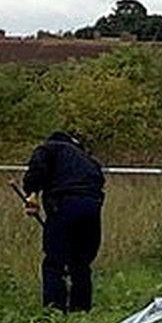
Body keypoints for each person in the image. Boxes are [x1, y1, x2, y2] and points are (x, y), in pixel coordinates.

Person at [22, 131, 105, 312]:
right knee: (81, 262)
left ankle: (54, 308)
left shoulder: (49, 148)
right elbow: (100, 181)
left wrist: (32, 193)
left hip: (64, 204)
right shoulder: (88, 160)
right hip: (92, 207)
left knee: (54, 261)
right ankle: (81, 308)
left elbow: (37, 170)